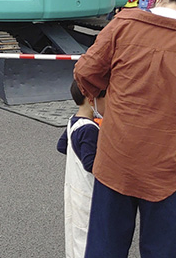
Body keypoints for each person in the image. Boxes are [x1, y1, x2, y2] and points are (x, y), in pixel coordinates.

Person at [75, 0, 176, 257]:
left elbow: (86, 71)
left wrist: (109, 94)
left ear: (158, 0)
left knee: (105, 246)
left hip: (116, 154)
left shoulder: (123, 24)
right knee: (165, 248)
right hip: (167, 161)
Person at [57, 80, 106, 258]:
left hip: (74, 189)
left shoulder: (73, 121)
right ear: (91, 98)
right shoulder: (90, 129)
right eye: (106, 98)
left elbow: (62, 146)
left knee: (75, 233)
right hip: (88, 192)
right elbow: (91, 164)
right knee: (89, 235)